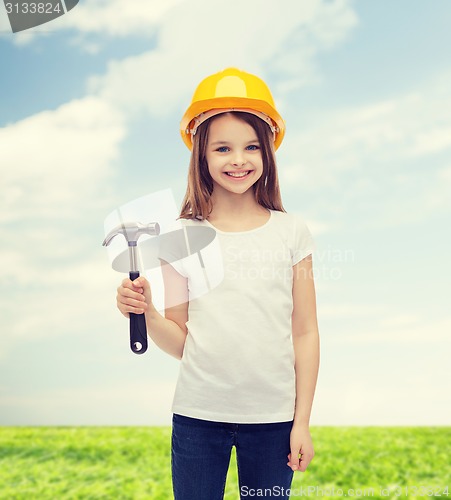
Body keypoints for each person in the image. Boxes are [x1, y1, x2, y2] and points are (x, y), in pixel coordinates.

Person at [116, 67, 320, 500]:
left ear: (267, 153)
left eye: (250, 147)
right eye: (223, 148)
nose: (238, 159)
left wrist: (301, 421)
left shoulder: (292, 232)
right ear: (201, 156)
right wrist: (147, 312)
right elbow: (181, 341)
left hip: (274, 419)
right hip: (198, 416)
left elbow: (305, 331)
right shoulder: (181, 237)